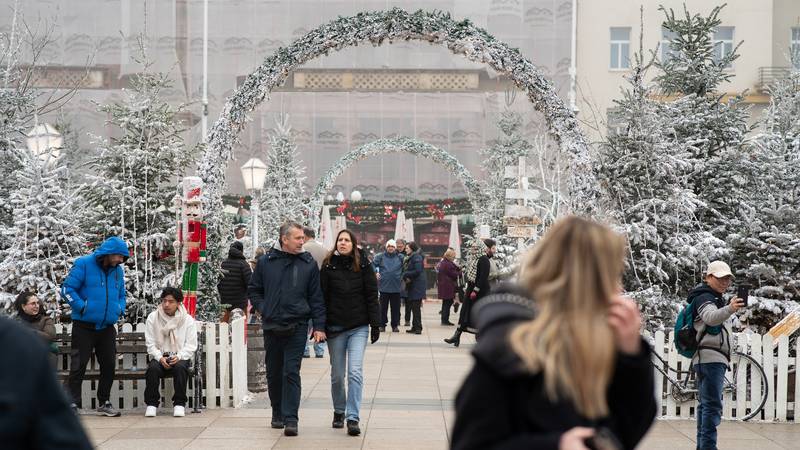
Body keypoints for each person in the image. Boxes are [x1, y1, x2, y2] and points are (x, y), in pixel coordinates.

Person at [451, 216, 656, 449]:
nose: (618, 288)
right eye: (610, 275)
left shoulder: (596, 345)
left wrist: (631, 355)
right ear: (584, 281)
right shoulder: (508, 348)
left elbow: (625, 434)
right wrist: (555, 445)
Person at [248, 221, 327, 437]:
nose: (302, 242)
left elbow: (316, 296)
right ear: (285, 239)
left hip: (298, 324)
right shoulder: (266, 262)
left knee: (291, 371)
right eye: (298, 238)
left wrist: (319, 325)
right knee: (274, 372)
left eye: (303, 238)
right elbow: (254, 290)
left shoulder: (308, 263)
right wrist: (264, 308)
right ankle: (277, 412)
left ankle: (291, 418)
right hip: (272, 325)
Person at [320, 229, 381, 436]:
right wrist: (320, 326)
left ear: (353, 244)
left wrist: (375, 324)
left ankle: (352, 417)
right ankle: (339, 410)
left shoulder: (364, 265)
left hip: (358, 327)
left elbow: (372, 295)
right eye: (340, 240)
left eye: (347, 240)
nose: (343, 243)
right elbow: (322, 298)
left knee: (354, 372)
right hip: (335, 328)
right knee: (337, 375)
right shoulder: (328, 266)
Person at [61, 235, 129, 417]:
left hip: (107, 326)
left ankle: (104, 402)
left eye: (123, 257)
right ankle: (72, 403)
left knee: (109, 365)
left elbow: (122, 294)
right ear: (108, 253)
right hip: (83, 326)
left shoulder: (118, 271)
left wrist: (119, 308)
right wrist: (82, 307)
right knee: (78, 365)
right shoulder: (83, 263)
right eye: (118, 256)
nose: (121, 260)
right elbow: (67, 289)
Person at [0, 316, 93, 449]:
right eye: (32, 303)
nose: (36, 306)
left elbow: (50, 336)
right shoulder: (15, 339)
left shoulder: (16, 339)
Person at [689, 261, 744, 450]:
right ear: (708, 277)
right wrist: (730, 309)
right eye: (720, 278)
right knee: (712, 407)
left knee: (706, 406)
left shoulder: (712, 297)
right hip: (710, 359)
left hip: (708, 358)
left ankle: (703, 447)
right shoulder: (705, 297)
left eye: (727, 278)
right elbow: (710, 318)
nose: (724, 282)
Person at [143, 287, 198, 417]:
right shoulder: (153, 317)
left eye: (171, 301)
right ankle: (151, 404)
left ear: (179, 303)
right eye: (164, 301)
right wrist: (159, 357)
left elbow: (191, 345)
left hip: (179, 357)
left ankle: (179, 404)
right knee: (153, 369)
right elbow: (150, 343)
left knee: (180, 368)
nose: (166, 304)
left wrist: (179, 356)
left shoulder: (187, 320)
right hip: (160, 357)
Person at [444, 238, 495, 347]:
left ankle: (480, 337)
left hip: (480, 291)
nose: (473, 250)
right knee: (464, 312)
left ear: (480, 248)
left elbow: (482, 277)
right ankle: (456, 336)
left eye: (475, 248)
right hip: (471, 289)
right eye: (472, 248)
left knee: (477, 314)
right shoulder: (475, 259)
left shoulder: (483, 259)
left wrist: (475, 290)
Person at [302, 227, 327, 358]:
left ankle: (305, 349)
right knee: (319, 318)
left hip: (305, 289)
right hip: (321, 289)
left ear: (305, 235)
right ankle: (320, 349)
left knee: (305, 321)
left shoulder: (303, 248)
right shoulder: (324, 249)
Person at [373, 239, 405, 332]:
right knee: (382, 308)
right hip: (384, 287)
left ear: (395, 248)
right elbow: (372, 265)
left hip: (396, 287)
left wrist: (402, 276)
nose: (390, 248)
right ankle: (382, 325)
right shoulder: (380, 256)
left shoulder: (400, 257)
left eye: (392, 246)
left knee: (395, 309)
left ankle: (395, 325)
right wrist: (375, 272)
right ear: (386, 247)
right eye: (389, 246)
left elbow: (406, 267)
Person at [218, 241, 253, 323]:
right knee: (240, 328)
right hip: (240, 303)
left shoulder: (223, 264)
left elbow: (218, 283)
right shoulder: (244, 265)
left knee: (224, 327)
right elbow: (250, 284)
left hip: (225, 302)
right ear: (241, 251)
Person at [402, 241, 426, 334]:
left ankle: (418, 328)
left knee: (416, 307)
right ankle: (415, 326)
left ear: (412, 248)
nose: (405, 249)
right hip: (413, 285)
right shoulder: (413, 257)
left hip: (417, 285)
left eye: (407, 248)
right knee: (413, 306)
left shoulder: (416, 257)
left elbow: (418, 270)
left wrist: (405, 273)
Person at [436, 248, 462, 326]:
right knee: (447, 303)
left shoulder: (444, 262)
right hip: (448, 286)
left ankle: (444, 319)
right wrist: (461, 272)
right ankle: (445, 320)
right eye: (454, 256)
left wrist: (458, 268)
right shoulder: (448, 264)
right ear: (450, 256)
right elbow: (454, 274)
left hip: (444, 285)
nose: (454, 257)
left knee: (446, 303)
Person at [396, 239, 411, 326]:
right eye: (398, 247)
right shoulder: (394, 254)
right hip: (397, 280)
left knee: (408, 302)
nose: (399, 248)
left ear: (404, 246)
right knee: (397, 303)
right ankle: (397, 320)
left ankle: (407, 320)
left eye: (401, 246)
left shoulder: (409, 254)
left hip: (406, 280)